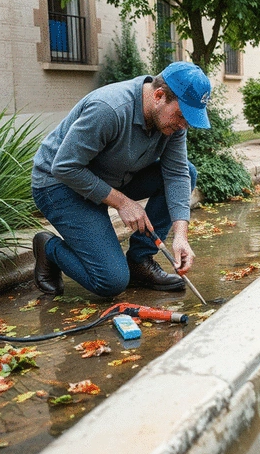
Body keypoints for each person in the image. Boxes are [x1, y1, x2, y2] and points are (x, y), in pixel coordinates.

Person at [30, 61, 211, 298]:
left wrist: (180, 236)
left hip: (108, 177)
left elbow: (177, 174)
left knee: (188, 172)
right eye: (181, 115)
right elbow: (65, 166)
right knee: (111, 282)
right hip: (59, 184)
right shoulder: (109, 109)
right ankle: (48, 248)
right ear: (158, 96)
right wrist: (122, 203)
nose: (183, 125)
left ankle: (139, 261)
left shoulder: (172, 124)